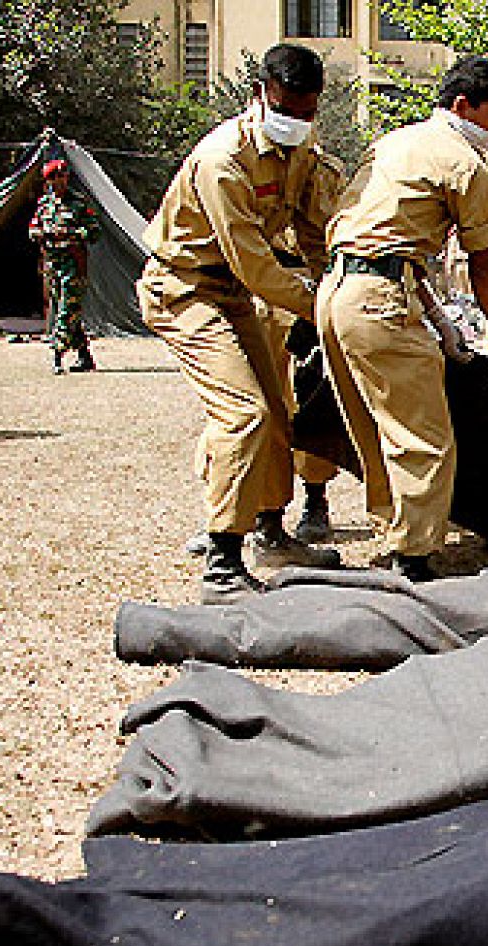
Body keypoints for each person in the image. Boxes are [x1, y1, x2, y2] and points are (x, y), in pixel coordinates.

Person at [138, 44, 343, 604]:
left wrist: (333, 286)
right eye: (286, 110)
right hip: (184, 289)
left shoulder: (300, 152)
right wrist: (318, 306)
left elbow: (309, 231)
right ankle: (223, 565)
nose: (297, 123)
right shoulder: (223, 159)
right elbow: (253, 261)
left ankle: (271, 534)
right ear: (261, 94)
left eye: (307, 113)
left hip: (234, 292)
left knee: (279, 413)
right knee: (243, 414)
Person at [317, 55, 488, 584]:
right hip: (381, 299)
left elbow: (384, 237)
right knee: (424, 436)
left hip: (337, 292)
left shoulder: (393, 142)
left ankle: (393, 532)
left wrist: (434, 313)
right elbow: (482, 262)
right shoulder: (465, 164)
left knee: (375, 426)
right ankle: (413, 562)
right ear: (462, 106)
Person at [28, 159, 101, 374]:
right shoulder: (44, 205)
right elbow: (32, 229)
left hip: (73, 263)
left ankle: (57, 354)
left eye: (62, 176)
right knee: (66, 310)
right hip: (51, 264)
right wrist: (43, 234)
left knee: (66, 310)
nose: (59, 181)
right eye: (54, 177)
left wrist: (71, 234)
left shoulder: (78, 203)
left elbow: (94, 232)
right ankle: (84, 356)